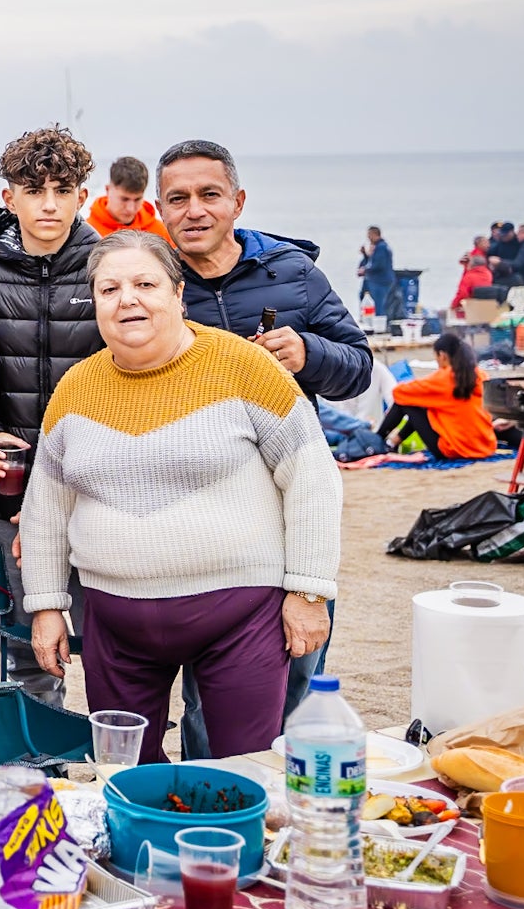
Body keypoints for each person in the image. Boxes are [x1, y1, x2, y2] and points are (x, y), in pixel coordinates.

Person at [21, 231, 341, 762]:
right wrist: (47, 606)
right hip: (114, 622)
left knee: (245, 769)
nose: (128, 299)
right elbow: (46, 510)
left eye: (145, 283)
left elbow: (311, 478)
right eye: (109, 289)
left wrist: (309, 591)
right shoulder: (75, 388)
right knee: (123, 775)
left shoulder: (245, 366)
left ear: (177, 292)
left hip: (241, 617)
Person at [155, 138, 372, 753]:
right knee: (211, 689)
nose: (195, 210)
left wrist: (308, 353)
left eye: (210, 195)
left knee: (299, 663)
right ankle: (214, 801)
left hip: (290, 500)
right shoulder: (155, 282)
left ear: (238, 201)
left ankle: (289, 797)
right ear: (161, 210)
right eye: (179, 199)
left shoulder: (293, 274)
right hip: (198, 509)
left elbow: (357, 366)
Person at [0, 126, 104, 708]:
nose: (49, 203)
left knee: (112, 645)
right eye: (33, 189)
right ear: (9, 199)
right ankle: (38, 772)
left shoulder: (108, 269)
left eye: (62, 189)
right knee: (25, 649)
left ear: (82, 196)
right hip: (7, 498)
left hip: (99, 497)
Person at [379, 333, 497, 461]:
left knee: (408, 402)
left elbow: (399, 392)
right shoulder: (480, 374)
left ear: (442, 355)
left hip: (456, 449)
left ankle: (377, 440)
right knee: (422, 403)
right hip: (485, 446)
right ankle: (392, 443)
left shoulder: (445, 377)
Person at [85, 155, 170, 241]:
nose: (131, 209)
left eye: (137, 199)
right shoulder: (87, 234)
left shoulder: (162, 233)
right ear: (108, 190)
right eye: (124, 199)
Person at [358, 226, 402, 321]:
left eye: (370, 235)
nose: (368, 238)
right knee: (374, 303)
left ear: (375, 234)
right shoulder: (377, 247)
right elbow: (372, 262)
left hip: (381, 281)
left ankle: (380, 324)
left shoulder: (381, 247)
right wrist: (365, 255)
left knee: (379, 305)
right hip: (377, 280)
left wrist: (365, 270)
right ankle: (374, 322)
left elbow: (378, 264)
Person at [452, 239, 494, 316]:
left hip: (472, 307)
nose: (488, 245)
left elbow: (462, 293)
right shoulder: (488, 274)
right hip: (487, 307)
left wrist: (453, 306)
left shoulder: (469, 276)